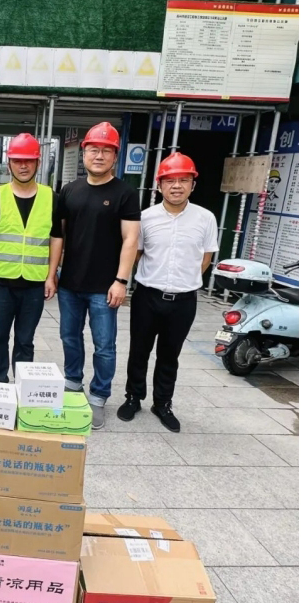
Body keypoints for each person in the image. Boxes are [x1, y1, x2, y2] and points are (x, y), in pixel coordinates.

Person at [116, 153, 219, 433]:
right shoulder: (145, 218)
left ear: (192, 184)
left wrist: (183, 280)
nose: (176, 186)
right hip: (148, 296)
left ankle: (162, 403)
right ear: (159, 185)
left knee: (170, 355)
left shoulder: (206, 218)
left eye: (183, 180)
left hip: (184, 300)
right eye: (170, 181)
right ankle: (133, 397)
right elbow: (137, 253)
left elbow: (205, 258)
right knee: (139, 351)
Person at [57, 122, 141, 429]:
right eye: (94, 149)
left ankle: (99, 395)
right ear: (84, 153)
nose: (99, 155)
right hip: (70, 283)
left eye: (107, 150)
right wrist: (53, 274)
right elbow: (59, 236)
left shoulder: (125, 193)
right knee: (69, 336)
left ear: (115, 156)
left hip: (105, 287)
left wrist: (121, 281)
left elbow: (131, 239)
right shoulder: (70, 190)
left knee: (104, 345)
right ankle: (72, 383)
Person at [0, 133, 63, 383]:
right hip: (1, 283)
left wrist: (51, 276)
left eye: (29, 160)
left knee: (26, 339)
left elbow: (56, 238)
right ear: (9, 164)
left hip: (34, 284)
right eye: (17, 160)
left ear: (38, 163)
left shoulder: (51, 198)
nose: (23, 166)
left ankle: (23, 386)